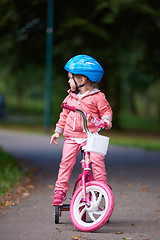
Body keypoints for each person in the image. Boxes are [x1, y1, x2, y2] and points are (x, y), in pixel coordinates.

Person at [50, 54, 112, 206]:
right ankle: (60, 191)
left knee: (97, 162)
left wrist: (106, 120)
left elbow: (106, 110)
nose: (68, 81)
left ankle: (101, 189)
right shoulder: (70, 98)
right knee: (66, 163)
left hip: (92, 136)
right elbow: (64, 115)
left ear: (82, 80)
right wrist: (58, 131)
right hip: (72, 137)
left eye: (71, 78)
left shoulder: (98, 97)